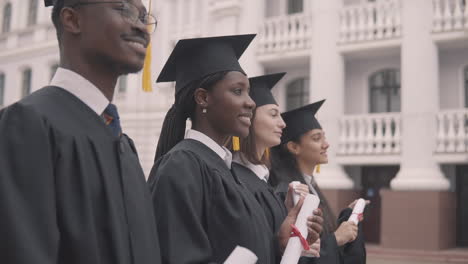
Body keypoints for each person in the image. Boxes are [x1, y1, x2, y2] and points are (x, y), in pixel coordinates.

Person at [0, 1, 160, 263]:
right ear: (72, 20)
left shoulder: (123, 143)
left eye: (144, 17)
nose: (141, 26)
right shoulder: (27, 123)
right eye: (123, 9)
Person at [148, 34, 323, 263]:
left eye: (248, 92)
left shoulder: (229, 173)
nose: (250, 102)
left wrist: (282, 243)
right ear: (203, 98)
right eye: (238, 91)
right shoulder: (182, 166)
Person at [231, 73, 322, 262]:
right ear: (249, 117)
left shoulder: (263, 182)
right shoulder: (234, 180)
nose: (282, 123)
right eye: (273, 114)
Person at [270, 100, 367, 264]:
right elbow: (297, 253)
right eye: (317, 138)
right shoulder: (290, 192)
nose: (326, 144)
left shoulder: (310, 185)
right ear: (294, 147)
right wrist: (336, 239)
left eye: (324, 137)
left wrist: (347, 217)